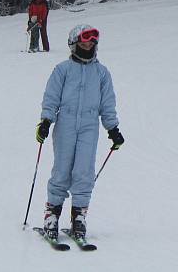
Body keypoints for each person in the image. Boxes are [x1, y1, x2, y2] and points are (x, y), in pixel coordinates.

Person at [35, 24, 124, 242]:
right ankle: (52, 215)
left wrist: (112, 128)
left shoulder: (101, 73)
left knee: (84, 172)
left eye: (93, 41)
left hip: (89, 127)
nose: (89, 44)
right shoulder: (62, 70)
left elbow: (108, 104)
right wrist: (46, 121)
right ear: (75, 43)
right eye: (85, 41)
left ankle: (79, 217)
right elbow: (51, 97)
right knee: (62, 170)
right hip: (65, 124)